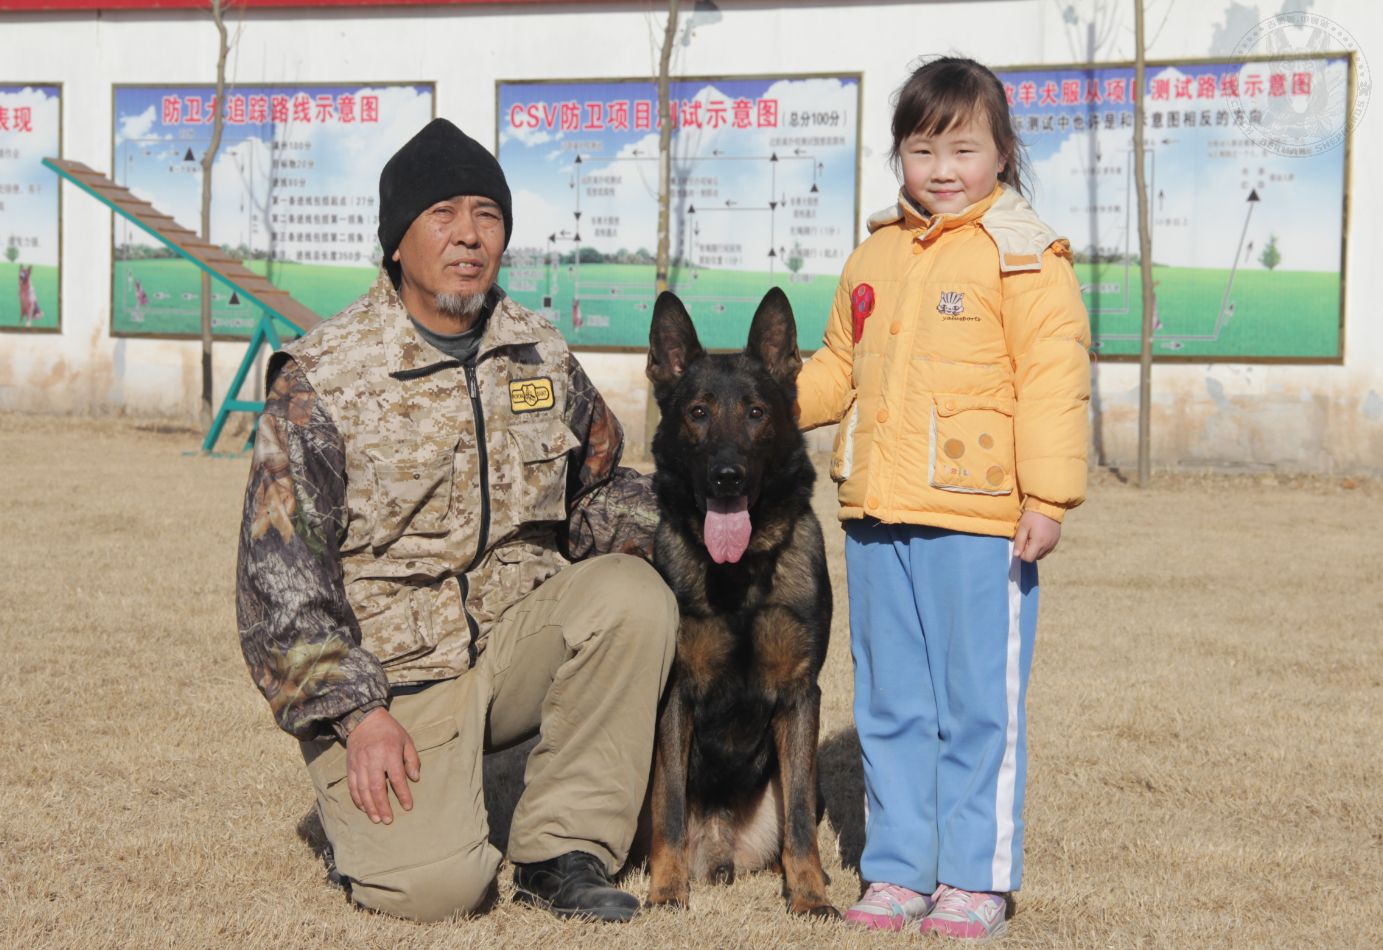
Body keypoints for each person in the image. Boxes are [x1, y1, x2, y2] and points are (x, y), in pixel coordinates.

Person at [236, 118, 677, 924]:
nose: (469, 236)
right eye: (442, 214)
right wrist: (356, 714)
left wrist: (704, 525)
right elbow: (280, 587)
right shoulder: (323, 378)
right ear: (397, 241)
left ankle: (562, 849)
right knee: (437, 891)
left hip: (515, 641)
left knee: (631, 596)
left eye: (487, 214)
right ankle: (382, 826)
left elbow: (596, 493)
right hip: (393, 679)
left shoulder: (538, 354)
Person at [795, 58, 1091, 941]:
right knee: (889, 704)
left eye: (963, 148)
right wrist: (763, 403)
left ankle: (973, 878)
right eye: (922, 149)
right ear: (898, 156)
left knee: (975, 707)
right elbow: (837, 367)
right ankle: (897, 872)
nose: (942, 168)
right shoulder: (873, 253)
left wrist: (1048, 497)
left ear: (1002, 152)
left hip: (980, 520)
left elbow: (1052, 378)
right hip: (876, 515)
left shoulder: (1024, 254)